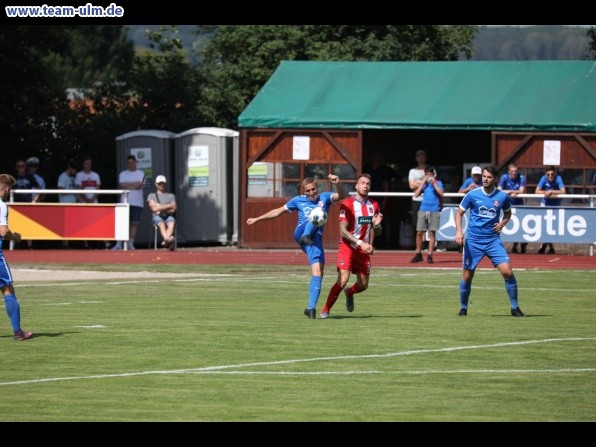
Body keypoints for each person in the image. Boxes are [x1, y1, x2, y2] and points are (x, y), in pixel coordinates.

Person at [246, 174, 347, 319]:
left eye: (313, 189)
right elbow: (278, 212)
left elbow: (342, 195)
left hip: (315, 239)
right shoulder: (297, 201)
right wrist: (258, 218)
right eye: (308, 191)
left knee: (318, 272)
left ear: (317, 188)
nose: (312, 193)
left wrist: (338, 183)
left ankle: (310, 309)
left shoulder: (325, 197)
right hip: (301, 233)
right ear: (303, 192)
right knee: (317, 213)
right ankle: (307, 234)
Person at [455, 165, 524, 318]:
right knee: (467, 275)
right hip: (473, 241)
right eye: (484, 176)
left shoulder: (502, 197)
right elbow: (459, 213)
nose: (485, 179)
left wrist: (502, 223)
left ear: (496, 179)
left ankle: (515, 307)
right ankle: (463, 308)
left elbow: (507, 213)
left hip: (493, 241)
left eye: (489, 177)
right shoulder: (472, 195)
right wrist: (459, 231)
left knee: (507, 272)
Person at [319, 173, 383, 319]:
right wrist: (361, 243)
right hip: (348, 246)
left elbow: (377, 231)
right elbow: (343, 231)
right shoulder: (347, 204)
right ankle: (325, 310)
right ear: (357, 186)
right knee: (343, 279)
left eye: (368, 184)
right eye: (362, 183)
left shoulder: (374, 205)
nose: (365, 186)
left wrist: (377, 226)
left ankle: (350, 292)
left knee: (363, 285)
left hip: (363, 251)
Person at [0, 173, 33, 340]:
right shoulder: (1, 205)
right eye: (9, 188)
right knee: (7, 290)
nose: (9, 191)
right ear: (4, 188)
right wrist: (15, 237)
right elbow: (3, 232)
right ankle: (18, 332)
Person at [410, 166, 443, 264]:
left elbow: (441, 193)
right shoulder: (424, 184)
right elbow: (416, 194)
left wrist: (434, 184)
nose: (429, 177)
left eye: (430, 175)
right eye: (427, 175)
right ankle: (418, 253)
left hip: (434, 210)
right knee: (419, 232)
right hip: (423, 209)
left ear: (433, 175)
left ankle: (430, 255)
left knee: (432, 233)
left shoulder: (438, 183)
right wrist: (422, 183)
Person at [112, 155, 145, 251]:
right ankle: (119, 244)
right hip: (125, 202)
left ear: (136, 162)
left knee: (134, 223)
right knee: (122, 223)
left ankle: (131, 244)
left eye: (132, 162)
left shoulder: (141, 173)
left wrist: (129, 185)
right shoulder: (123, 174)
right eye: (129, 162)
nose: (130, 164)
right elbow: (122, 185)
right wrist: (134, 184)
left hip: (137, 202)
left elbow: (140, 185)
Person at [74, 156, 106, 248]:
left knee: (98, 221)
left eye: (89, 163)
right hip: (83, 201)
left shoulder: (96, 175)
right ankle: (85, 243)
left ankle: (105, 243)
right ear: (83, 164)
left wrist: (92, 199)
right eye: (86, 163)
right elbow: (79, 188)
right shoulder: (79, 175)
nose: (88, 165)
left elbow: (98, 188)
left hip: (94, 201)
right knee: (83, 223)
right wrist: (85, 199)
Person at [535, 165, 566, 255]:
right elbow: (537, 191)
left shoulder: (558, 178)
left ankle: (546, 246)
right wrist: (545, 193)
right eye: (548, 174)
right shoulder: (543, 179)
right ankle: (547, 246)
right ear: (546, 174)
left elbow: (563, 191)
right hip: (545, 204)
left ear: (554, 173)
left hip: (555, 205)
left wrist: (551, 191)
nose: (550, 176)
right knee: (545, 226)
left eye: (552, 174)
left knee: (552, 227)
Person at [498, 163, 527, 254]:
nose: (514, 173)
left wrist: (515, 192)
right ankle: (503, 246)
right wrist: (509, 192)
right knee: (507, 224)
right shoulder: (504, 177)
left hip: (519, 205)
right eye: (512, 171)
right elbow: (499, 189)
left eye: (515, 171)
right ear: (509, 172)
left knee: (520, 226)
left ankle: (519, 245)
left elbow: (521, 190)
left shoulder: (521, 177)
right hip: (507, 205)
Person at [13, 159, 40, 249]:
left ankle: (29, 246)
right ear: (16, 168)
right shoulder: (13, 177)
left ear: (25, 167)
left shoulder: (30, 177)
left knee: (29, 224)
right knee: (16, 225)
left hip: (28, 204)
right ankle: (16, 245)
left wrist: (35, 200)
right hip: (15, 205)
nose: (21, 168)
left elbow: (38, 189)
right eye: (19, 166)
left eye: (23, 166)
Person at [147, 175, 177, 250]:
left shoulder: (171, 195)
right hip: (156, 217)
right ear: (156, 184)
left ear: (165, 183)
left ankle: (166, 241)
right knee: (161, 223)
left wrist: (158, 206)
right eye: (160, 183)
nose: (162, 185)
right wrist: (169, 205)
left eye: (163, 183)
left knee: (171, 223)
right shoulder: (151, 195)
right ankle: (168, 240)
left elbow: (174, 209)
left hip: (168, 216)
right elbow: (153, 209)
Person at [57, 160, 78, 248]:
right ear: (70, 168)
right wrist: (72, 191)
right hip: (65, 204)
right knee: (65, 225)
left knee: (70, 225)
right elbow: (61, 190)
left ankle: (69, 243)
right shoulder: (63, 177)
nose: (75, 172)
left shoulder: (72, 178)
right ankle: (64, 244)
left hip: (72, 204)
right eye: (74, 170)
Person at [408, 149, 428, 235]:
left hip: (428, 200)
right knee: (416, 223)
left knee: (428, 223)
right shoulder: (412, 171)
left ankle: (427, 245)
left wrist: (417, 182)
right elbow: (411, 185)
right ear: (416, 158)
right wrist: (424, 181)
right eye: (418, 156)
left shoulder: (430, 170)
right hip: (416, 200)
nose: (421, 158)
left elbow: (432, 183)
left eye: (422, 156)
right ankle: (417, 245)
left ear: (425, 157)